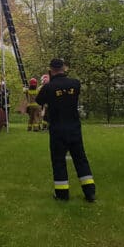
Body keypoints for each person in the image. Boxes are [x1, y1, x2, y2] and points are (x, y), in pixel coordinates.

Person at [36, 58, 96, 202]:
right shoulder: (75, 84)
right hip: (74, 127)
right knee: (81, 159)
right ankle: (90, 192)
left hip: (57, 129)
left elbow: (39, 102)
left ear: (51, 70)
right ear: (64, 68)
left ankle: (62, 194)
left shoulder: (48, 87)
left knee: (58, 161)